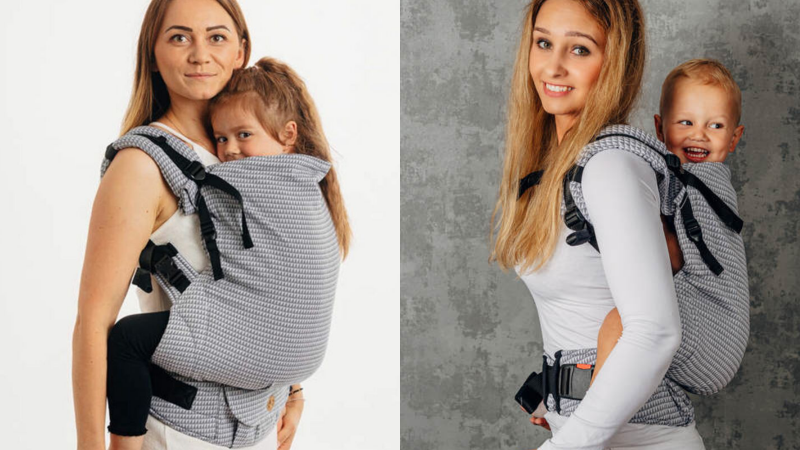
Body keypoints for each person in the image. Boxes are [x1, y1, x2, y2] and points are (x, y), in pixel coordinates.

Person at [72, 1, 318, 449]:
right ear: (153, 53)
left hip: (261, 425)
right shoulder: (140, 167)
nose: (200, 54)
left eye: (217, 37)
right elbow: (93, 323)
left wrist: (293, 386)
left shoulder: (251, 150)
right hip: (181, 432)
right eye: (179, 37)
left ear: (241, 50)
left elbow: (273, 283)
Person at [103, 57, 349, 449]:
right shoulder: (310, 181)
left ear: (288, 134)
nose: (230, 150)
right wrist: (293, 388)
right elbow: (283, 284)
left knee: (126, 340)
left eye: (243, 135)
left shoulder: (240, 179)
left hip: (252, 390)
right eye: (220, 138)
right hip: (286, 377)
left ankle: (123, 443)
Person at [491, 0, 705, 448]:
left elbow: (654, 330)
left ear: (616, 62)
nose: (554, 66)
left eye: (581, 50)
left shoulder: (610, 166)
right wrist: (557, 396)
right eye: (544, 42)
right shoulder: (556, 168)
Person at [591, 58, 746, 386]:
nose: (699, 136)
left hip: (714, 329)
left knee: (617, 324)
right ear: (660, 128)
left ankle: (589, 414)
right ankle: (568, 396)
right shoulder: (687, 181)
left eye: (715, 126)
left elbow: (674, 257)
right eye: (685, 122)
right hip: (720, 338)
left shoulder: (699, 184)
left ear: (734, 138)